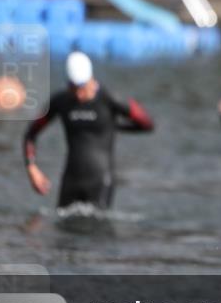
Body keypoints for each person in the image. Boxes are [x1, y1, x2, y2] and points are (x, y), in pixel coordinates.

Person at [24, 51, 154, 210]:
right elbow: (31, 134)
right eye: (73, 87)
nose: (78, 94)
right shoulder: (61, 101)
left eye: (81, 87)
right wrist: (32, 168)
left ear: (91, 80)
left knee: (96, 230)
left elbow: (147, 124)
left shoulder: (110, 99)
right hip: (71, 180)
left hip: (100, 181)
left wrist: (117, 127)